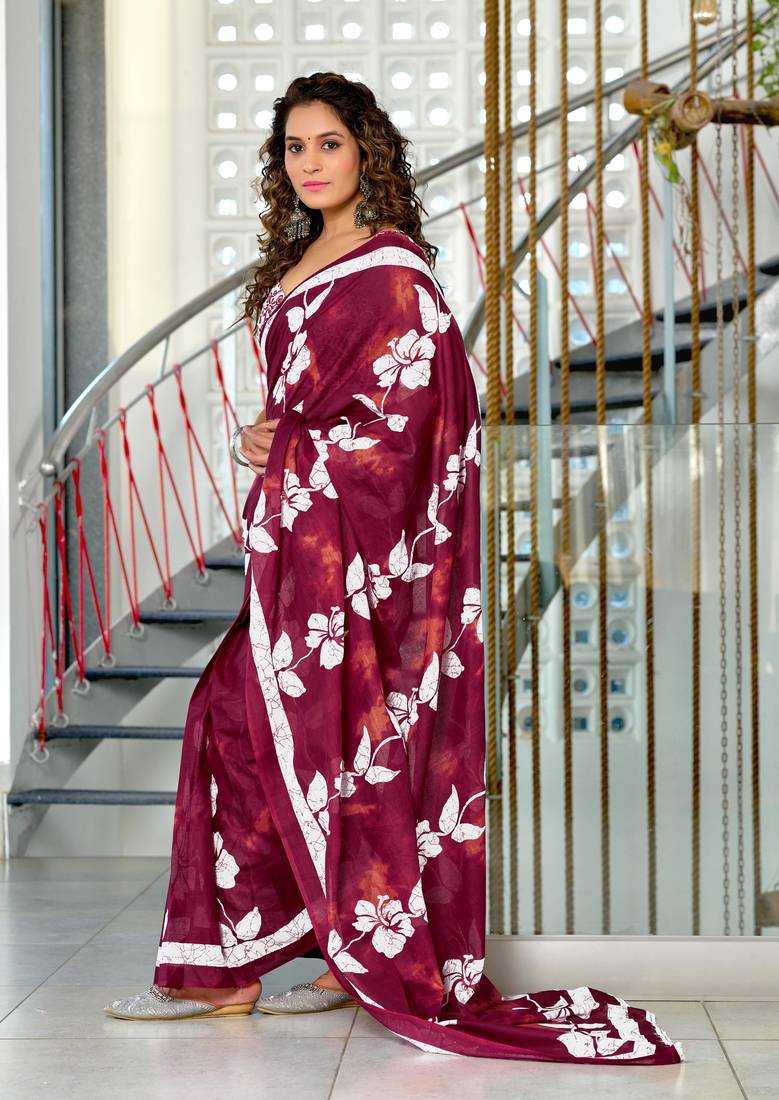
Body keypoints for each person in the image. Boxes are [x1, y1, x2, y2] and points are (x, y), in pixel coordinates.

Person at [104, 72, 683, 1066]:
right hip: (302, 553)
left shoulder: (393, 273)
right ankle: (266, 959)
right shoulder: (300, 261)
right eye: (293, 147)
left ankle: (262, 968)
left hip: (357, 567)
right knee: (236, 725)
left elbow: (417, 421)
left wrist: (290, 447)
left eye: (327, 143)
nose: (310, 163)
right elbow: (308, 402)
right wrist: (266, 443)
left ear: (364, 150)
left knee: (301, 734)